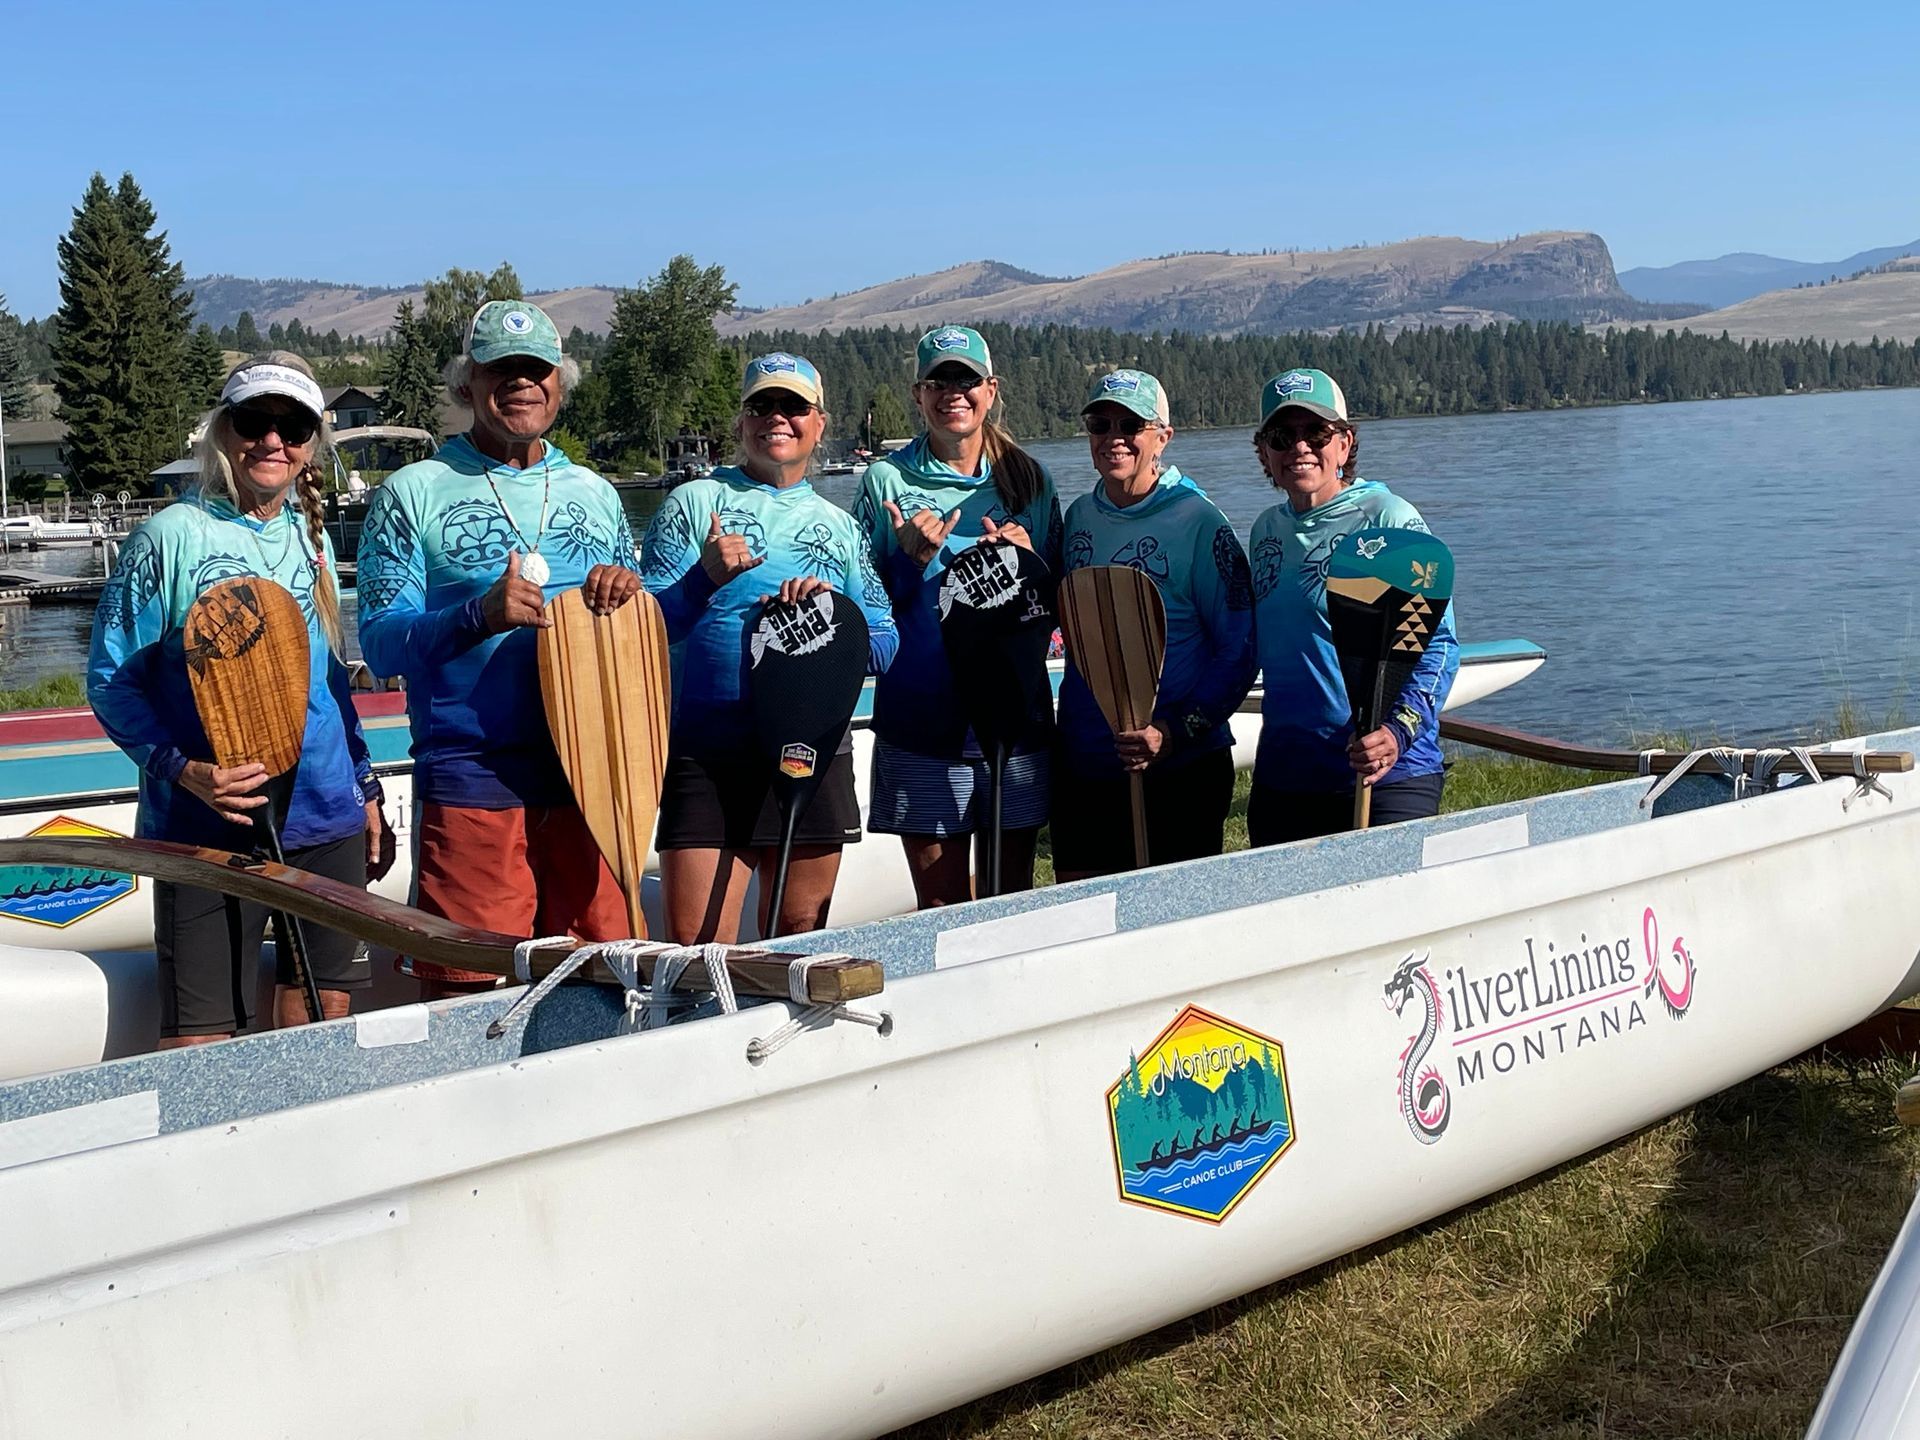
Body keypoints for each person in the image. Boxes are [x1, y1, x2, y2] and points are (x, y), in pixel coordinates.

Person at [88, 352, 393, 1044]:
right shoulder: (169, 540)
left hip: (324, 819)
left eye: (294, 427)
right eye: (256, 420)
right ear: (225, 430)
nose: (273, 441)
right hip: (205, 828)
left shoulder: (309, 535)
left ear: (313, 443)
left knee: (320, 1030)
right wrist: (184, 771)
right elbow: (110, 682)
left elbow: (328, 683)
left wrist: (365, 785)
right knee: (201, 1043)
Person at [356, 301, 641, 995]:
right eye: (500, 369)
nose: (521, 383)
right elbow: (382, 642)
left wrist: (631, 591)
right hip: (473, 779)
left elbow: (642, 636)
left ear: (560, 384)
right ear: (467, 384)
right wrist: (475, 616)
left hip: (593, 779)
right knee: (469, 994)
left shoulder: (597, 494)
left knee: (602, 988)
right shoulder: (411, 493)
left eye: (536, 370)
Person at [641, 352, 898, 942]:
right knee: (694, 955)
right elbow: (643, 632)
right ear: (740, 423)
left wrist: (835, 621)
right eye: (761, 405)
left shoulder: (840, 526)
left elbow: (886, 642)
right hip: (710, 755)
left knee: (799, 938)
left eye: (793, 406)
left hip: (813, 748)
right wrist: (701, 579)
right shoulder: (692, 505)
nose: (776, 417)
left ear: (819, 422)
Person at [855, 326, 1061, 905]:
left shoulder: (1028, 479)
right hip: (923, 723)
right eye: (938, 381)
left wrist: (1027, 564)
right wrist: (904, 561)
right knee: (940, 911)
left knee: (1011, 900)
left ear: (990, 390)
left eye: (966, 380)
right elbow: (864, 603)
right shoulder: (885, 480)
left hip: (1012, 718)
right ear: (918, 395)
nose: (954, 392)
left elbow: (1052, 606)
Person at [1052, 370, 1256, 879]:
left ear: (1163, 436)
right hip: (1086, 764)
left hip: (1178, 765)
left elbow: (1240, 647)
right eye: (1101, 424)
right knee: (1084, 926)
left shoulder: (1199, 521)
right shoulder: (1078, 517)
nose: (1114, 437)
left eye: (1131, 425)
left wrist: (1173, 732)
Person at [1247, 368, 1458, 843]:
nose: (1299, 447)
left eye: (1316, 433)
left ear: (1343, 444)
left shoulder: (1388, 520)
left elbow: (1439, 645)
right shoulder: (1265, 531)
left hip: (1385, 773)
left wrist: (1397, 732)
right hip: (1288, 774)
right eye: (1283, 436)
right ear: (1264, 452)